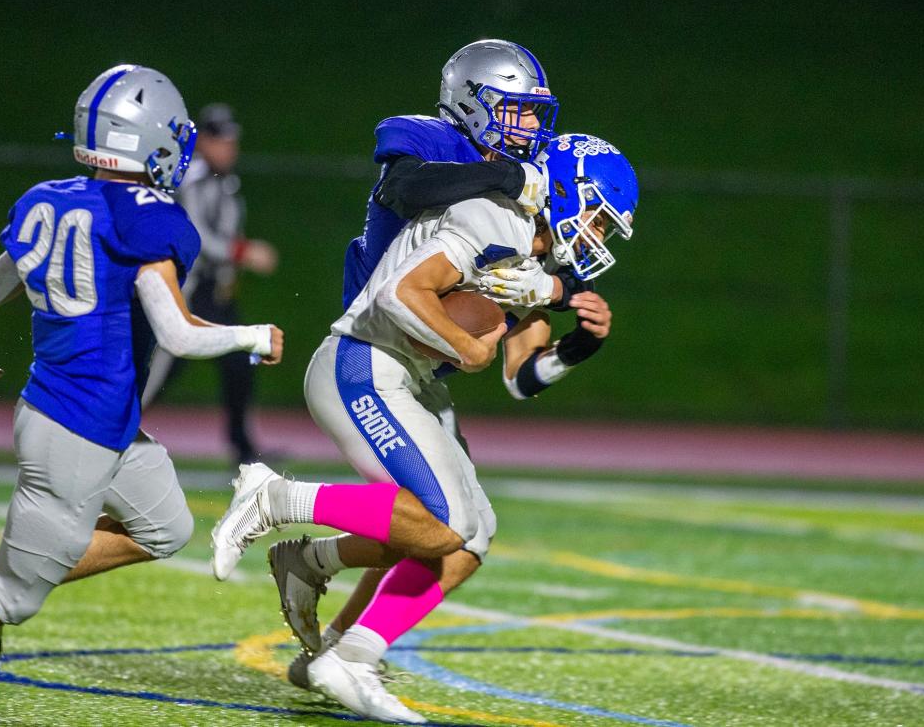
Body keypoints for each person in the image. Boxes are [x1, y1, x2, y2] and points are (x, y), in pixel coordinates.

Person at [0, 65, 283, 727]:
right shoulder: (148, 221)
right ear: (149, 139)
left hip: (85, 416)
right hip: (77, 428)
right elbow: (178, 335)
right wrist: (252, 335)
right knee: (14, 594)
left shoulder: (48, 198)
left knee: (166, 527)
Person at [209, 133, 638, 723]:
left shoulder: (541, 259)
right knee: (444, 521)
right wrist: (467, 347)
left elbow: (523, 379)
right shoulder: (495, 218)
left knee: (472, 537)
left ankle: (350, 652)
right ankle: (278, 497)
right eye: (595, 218)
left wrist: (577, 349)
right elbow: (396, 294)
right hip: (363, 361)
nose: (597, 236)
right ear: (565, 191)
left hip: (412, 381)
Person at [141, 103, 279, 465]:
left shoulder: (223, 180)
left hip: (212, 290)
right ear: (202, 142)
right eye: (220, 140)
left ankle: (243, 447)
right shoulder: (193, 178)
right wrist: (242, 252)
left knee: (238, 362)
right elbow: (197, 233)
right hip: (189, 287)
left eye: (230, 140)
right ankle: (119, 426)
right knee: (164, 363)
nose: (228, 148)